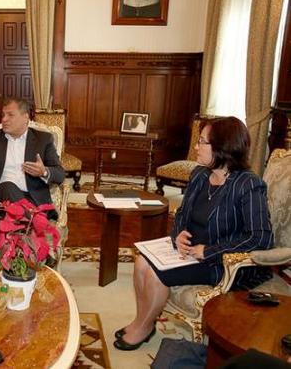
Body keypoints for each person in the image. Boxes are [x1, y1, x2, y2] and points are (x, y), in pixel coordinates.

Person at [114, 116, 274, 351]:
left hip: (221, 262)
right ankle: (142, 322)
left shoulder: (248, 184)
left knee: (156, 274)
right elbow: (181, 214)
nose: (196, 147)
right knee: (140, 263)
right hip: (189, 250)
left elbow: (260, 237)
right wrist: (177, 235)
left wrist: (209, 251)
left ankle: (143, 328)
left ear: (222, 147)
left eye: (202, 142)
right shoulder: (200, 175)